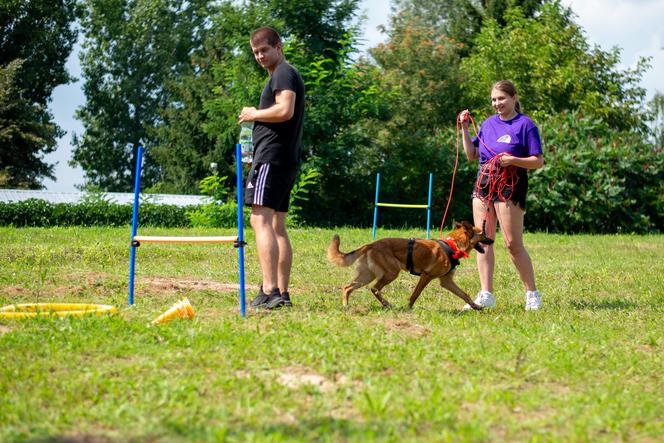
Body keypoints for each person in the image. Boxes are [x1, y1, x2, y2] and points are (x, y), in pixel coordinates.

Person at [460, 80, 544, 311]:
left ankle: (532, 294)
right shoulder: (487, 124)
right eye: (494, 100)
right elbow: (472, 155)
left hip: (510, 188)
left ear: (514, 98)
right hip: (484, 187)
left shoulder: (525, 125)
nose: (497, 103)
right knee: (482, 241)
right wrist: (465, 130)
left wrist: (513, 160)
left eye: (501, 99)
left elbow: (538, 161)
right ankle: (486, 294)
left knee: (512, 244)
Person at [238, 27, 305, 310]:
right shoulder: (283, 73)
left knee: (259, 220)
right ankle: (282, 293)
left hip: (272, 158)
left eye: (264, 50)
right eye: (255, 52)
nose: (260, 56)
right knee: (276, 224)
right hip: (283, 159)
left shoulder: (283, 72)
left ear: (279, 46)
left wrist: (254, 113)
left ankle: (269, 290)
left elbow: (284, 110)